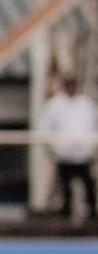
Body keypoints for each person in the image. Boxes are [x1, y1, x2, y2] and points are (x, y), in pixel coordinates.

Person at [41, 75, 98, 223]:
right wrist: (54, 148)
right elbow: (47, 128)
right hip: (64, 155)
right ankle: (65, 214)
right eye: (69, 84)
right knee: (65, 187)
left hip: (83, 155)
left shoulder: (86, 104)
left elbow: (94, 125)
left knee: (88, 184)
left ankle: (92, 213)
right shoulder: (54, 105)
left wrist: (90, 146)